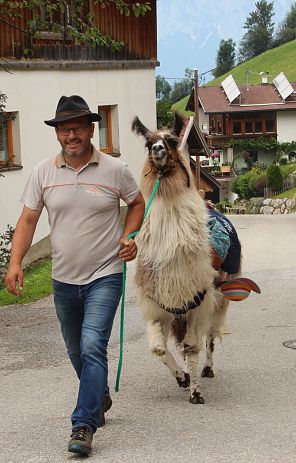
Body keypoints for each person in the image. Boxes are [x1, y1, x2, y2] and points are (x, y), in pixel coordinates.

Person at [5, 95, 145, 456]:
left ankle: (83, 424)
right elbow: (28, 220)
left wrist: (129, 236)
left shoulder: (114, 169)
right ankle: (98, 396)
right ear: (57, 134)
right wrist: (16, 262)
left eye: (78, 127)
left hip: (106, 273)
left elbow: (137, 203)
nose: (72, 135)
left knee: (92, 344)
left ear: (90, 129)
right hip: (64, 279)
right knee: (75, 350)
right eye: (65, 128)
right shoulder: (43, 173)